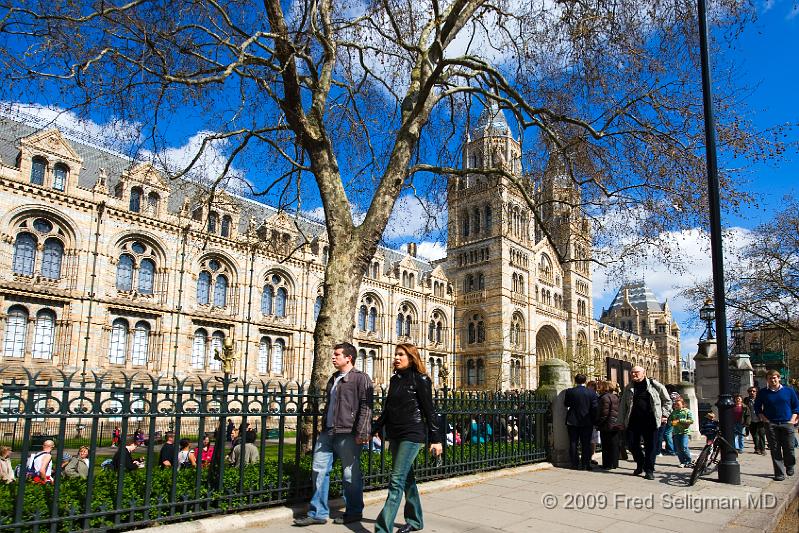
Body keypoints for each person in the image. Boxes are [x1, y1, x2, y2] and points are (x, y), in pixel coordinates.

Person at [293, 342, 373, 527]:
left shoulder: (361, 378)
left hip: (348, 433)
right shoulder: (334, 378)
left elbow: (366, 408)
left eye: (337, 354)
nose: (333, 357)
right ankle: (318, 513)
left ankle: (353, 511)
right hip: (328, 432)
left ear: (348, 357)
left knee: (349, 474)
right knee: (319, 471)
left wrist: (362, 432)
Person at [373, 343, 442, 533]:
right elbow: (387, 410)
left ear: (411, 357)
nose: (396, 357)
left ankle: (381, 529)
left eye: (401, 354)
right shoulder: (395, 380)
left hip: (412, 434)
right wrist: (373, 429)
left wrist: (436, 439)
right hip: (395, 434)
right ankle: (416, 520)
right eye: (395, 354)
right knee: (407, 479)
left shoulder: (421, 379)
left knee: (396, 481)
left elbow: (430, 411)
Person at [618, 366, 671, 480]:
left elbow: (667, 401)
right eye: (632, 373)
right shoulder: (628, 387)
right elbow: (623, 406)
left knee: (650, 447)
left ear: (643, 373)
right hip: (633, 421)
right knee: (631, 445)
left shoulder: (655, 386)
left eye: (636, 372)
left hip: (651, 421)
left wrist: (665, 415)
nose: (633, 375)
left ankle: (649, 470)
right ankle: (640, 463)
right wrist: (621, 421)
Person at [753, 370, 799, 481]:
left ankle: (789, 465)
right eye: (770, 378)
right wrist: (764, 419)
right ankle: (779, 473)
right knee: (775, 449)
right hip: (771, 424)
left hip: (787, 423)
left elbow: (796, 407)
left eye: (774, 377)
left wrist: (792, 420)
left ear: (779, 378)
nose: (772, 380)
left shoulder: (789, 391)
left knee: (789, 447)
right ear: (767, 380)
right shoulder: (763, 393)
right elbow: (757, 407)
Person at [564, 374, 599, 471]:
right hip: (587, 421)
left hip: (572, 420)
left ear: (575, 381)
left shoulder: (570, 391)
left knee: (573, 442)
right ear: (585, 381)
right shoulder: (591, 393)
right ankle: (585, 464)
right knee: (586, 443)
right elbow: (594, 408)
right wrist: (594, 420)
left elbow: (566, 404)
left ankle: (574, 463)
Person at [596, 380, 622, 470]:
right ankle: (614, 463)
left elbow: (604, 413)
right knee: (614, 445)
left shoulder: (604, 398)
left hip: (607, 425)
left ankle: (607, 464)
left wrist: (598, 423)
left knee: (606, 445)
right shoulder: (615, 396)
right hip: (616, 424)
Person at [667, 397, 694, 467]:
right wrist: (674, 423)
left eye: (678, 404)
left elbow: (691, 421)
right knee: (678, 449)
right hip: (676, 432)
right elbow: (669, 422)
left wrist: (681, 421)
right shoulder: (673, 412)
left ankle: (689, 461)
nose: (676, 406)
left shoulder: (687, 411)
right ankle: (682, 462)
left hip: (684, 432)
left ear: (682, 404)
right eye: (675, 404)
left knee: (684, 446)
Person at [746, 387, 766, 455]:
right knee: (754, 435)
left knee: (762, 435)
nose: (752, 392)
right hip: (751, 420)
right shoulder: (746, 400)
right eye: (750, 391)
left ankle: (763, 449)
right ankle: (757, 448)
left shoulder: (760, 399)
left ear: (756, 392)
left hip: (761, 420)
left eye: (753, 391)